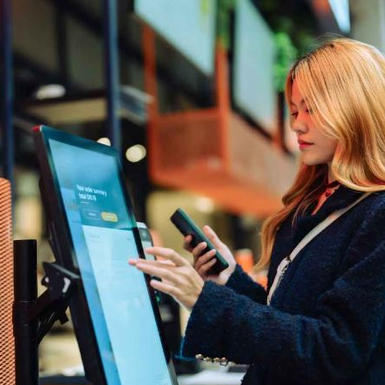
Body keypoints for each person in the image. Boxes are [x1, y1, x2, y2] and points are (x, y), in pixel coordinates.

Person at [129, 38, 385, 385]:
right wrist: (229, 280)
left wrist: (205, 300)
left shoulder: (376, 214)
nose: (297, 124)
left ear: (354, 106)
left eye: (311, 109)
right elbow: (284, 320)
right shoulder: (312, 204)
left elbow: (333, 350)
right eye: (294, 111)